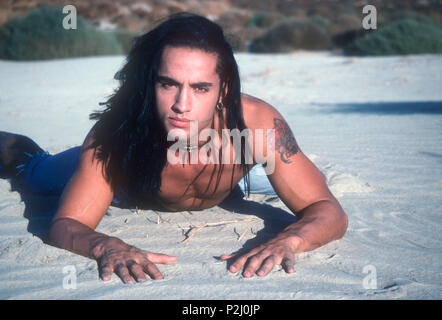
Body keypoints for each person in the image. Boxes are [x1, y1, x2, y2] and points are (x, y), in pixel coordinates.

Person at [0, 13, 348, 284]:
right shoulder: (114, 137)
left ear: (223, 90)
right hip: (129, 181)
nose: (182, 104)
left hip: (231, 180)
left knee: (265, 168)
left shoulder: (257, 123)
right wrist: (107, 245)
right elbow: (66, 224)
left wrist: (290, 240)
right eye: (169, 84)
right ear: (152, 82)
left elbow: (327, 210)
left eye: (200, 88)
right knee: (34, 171)